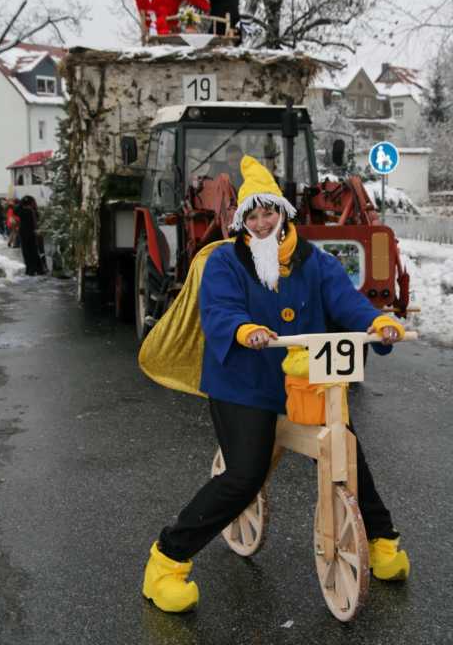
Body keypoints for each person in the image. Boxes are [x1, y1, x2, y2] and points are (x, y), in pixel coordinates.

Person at [139, 155, 410, 614]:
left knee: (345, 449)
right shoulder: (225, 261)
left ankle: (382, 542)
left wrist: (379, 322)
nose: (262, 223)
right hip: (243, 384)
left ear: (283, 213)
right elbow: (221, 310)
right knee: (244, 476)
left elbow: (349, 304)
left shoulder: (315, 262)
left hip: (304, 380)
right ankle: (166, 561)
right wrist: (246, 330)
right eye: (253, 215)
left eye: (269, 213)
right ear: (242, 220)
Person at [15, 196, 45, 275]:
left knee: (27, 252)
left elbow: (16, 211)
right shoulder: (32, 211)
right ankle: (38, 269)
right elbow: (37, 220)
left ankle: (31, 269)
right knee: (34, 251)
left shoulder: (21, 210)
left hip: (25, 233)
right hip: (32, 233)